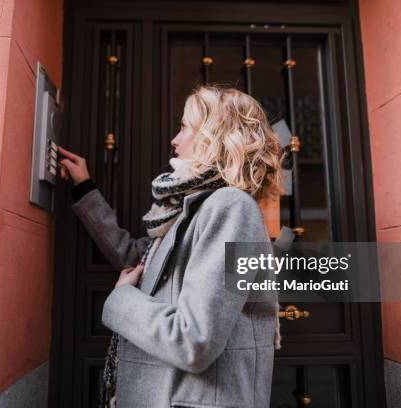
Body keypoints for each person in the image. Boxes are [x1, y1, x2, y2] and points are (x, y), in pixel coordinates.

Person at [58, 85, 285, 408]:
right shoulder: (191, 210)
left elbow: (195, 340)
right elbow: (138, 258)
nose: (174, 140)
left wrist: (122, 299)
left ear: (214, 136)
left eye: (183, 128)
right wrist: (85, 189)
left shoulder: (230, 207)